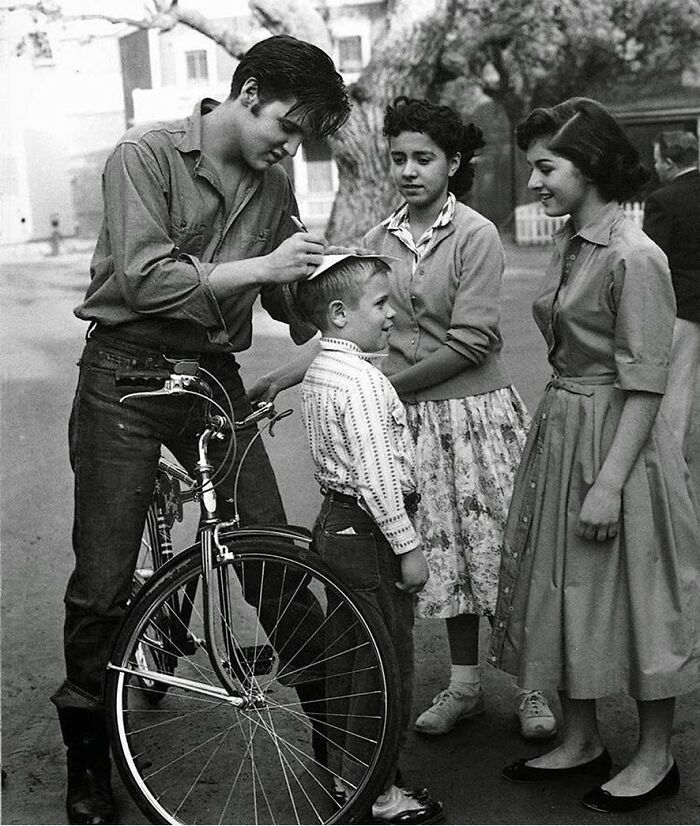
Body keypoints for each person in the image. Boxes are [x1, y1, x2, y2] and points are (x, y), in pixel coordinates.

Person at [52, 35, 350, 825]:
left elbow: (288, 301)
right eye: (287, 125)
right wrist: (263, 270)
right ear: (248, 92)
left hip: (209, 370)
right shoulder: (143, 157)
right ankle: (88, 763)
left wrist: (333, 283)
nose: (290, 146)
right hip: (124, 373)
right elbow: (144, 279)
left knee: (269, 542)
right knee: (104, 575)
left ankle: (335, 740)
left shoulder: (274, 177)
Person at [491, 97, 700, 814]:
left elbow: (646, 380)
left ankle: (655, 755)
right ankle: (580, 740)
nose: (535, 183)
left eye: (547, 168)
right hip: (565, 429)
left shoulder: (635, 256)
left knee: (641, 598)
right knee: (562, 588)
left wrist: (610, 484)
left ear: (589, 166)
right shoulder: (575, 242)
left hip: (619, 445)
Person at [362, 96, 557, 741]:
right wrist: (293, 371)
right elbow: (360, 325)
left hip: (477, 416)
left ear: (452, 164)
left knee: (503, 552)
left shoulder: (475, 234)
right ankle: (465, 685)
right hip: (412, 425)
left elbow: (471, 341)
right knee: (444, 557)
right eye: (399, 158)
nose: (410, 170)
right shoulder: (377, 240)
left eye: (425, 158)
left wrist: (389, 385)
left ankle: (533, 685)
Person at [295, 253, 444, 824]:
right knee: (386, 667)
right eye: (379, 303)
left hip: (338, 525)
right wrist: (407, 547)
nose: (391, 315)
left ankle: (348, 774)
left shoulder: (323, 372)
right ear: (338, 314)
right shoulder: (360, 382)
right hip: (371, 533)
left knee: (353, 661)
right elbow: (378, 476)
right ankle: (376, 793)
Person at [642, 131, 700, 456]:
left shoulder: (663, 200)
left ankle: (671, 458)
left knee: (678, 386)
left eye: (656, 159)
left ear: (668, 162)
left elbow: (653, 259)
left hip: (682, 305)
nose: (655, 166)